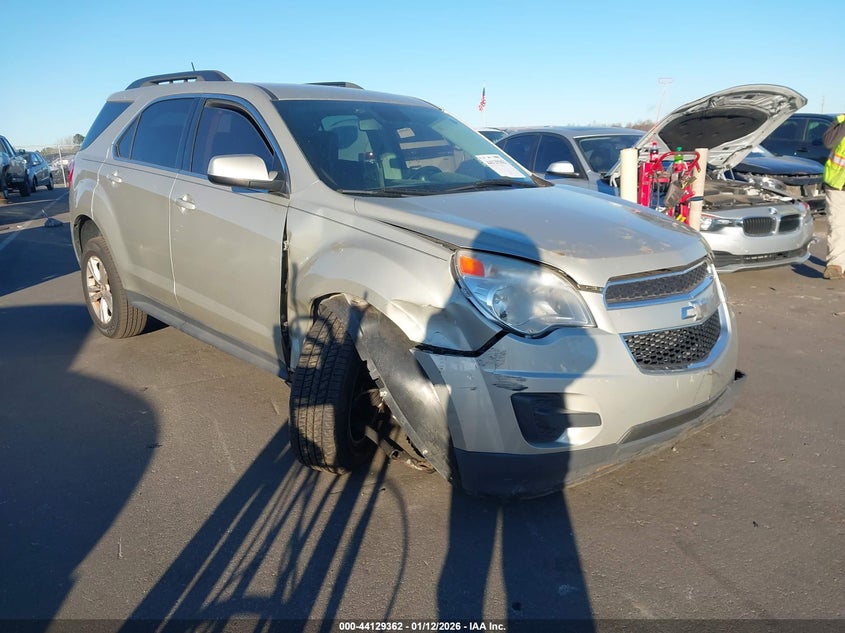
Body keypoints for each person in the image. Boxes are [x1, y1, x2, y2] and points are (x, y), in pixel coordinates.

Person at [822, 114, 845, 279]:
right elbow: (829, 142)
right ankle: (835, 265)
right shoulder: (840, 121)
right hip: (837, 184)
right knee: (837, 225)